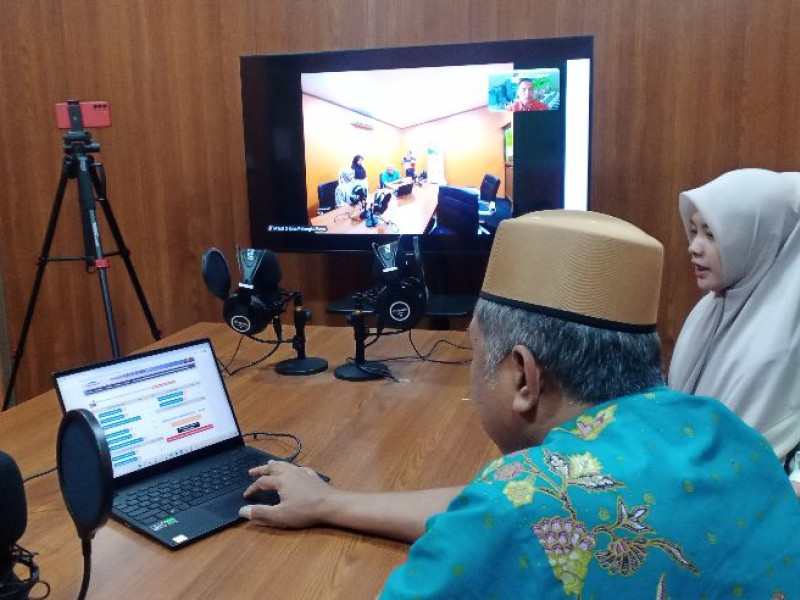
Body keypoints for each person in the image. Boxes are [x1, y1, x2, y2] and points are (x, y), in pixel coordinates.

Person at [240, 211, 800, 597]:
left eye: (473, 349)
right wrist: (330, 503)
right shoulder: (722, 431)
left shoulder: (523, 506)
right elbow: (510, 505)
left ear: (524, 376)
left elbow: (515, 511)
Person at [669, 168, 800, 498]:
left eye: (711, 234)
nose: (694, 247)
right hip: (690, 492)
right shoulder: (707, 311)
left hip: (766, 504)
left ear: (759, 239)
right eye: (693, 231)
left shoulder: (791, 323)